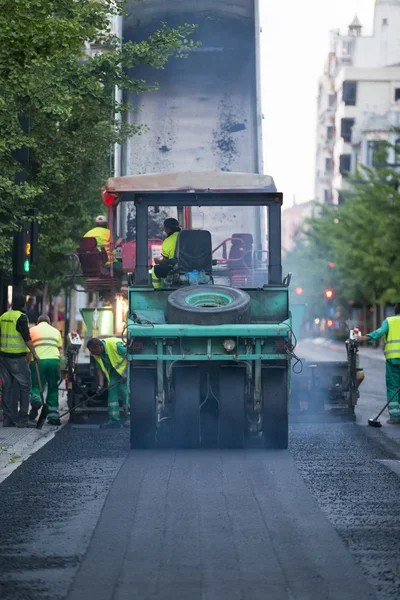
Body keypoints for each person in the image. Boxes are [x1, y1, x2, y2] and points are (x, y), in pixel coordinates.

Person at [0, 294, 40, 427]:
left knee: (7, 386)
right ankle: (23, 418)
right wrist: (34, 354)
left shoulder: (4, 316)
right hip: (17, 357)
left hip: (4, 357)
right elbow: (26, 337)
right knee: (25, 385)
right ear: (24, 305)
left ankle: (8, 418)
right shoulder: (21, 317)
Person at [358, 303, 400, 424]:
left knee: (393, 386)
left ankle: (395, 417)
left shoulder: (390, 321)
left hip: (393, 359)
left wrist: (364, 338)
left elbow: (379, 333)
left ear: (394, 312)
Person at [86, 337, 128, 428]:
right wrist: (100, 385)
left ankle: (130, 418)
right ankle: (114, 420)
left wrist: (126, 373)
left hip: (126, 370)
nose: (91, 353)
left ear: (98, 347)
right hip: (114, 372)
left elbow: (131, 355)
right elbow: (99, 369)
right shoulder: (96, 354)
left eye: (92, 350)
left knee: (124, 391)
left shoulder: (116, 345)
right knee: (112, 391)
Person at [28, 315, 62, 426]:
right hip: (54, 361)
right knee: (53, 387)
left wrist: (28, 362)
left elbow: (28, 348)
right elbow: (59, 348)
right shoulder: (55, 331)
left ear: (37, 322)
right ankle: (53, 416)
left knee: (36, 385)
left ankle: (36, 399)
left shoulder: (32, 330)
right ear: (50, 322)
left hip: (38, 361)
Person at [151, 217, 181, 288]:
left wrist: (158, 261)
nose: (165, 231)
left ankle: (157, 291)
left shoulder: (167, 241)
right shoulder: (187, 237)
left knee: (155, 270)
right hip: (191, 267)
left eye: (165, 228)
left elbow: (166, 261)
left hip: (175, 268)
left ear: (168, 228)